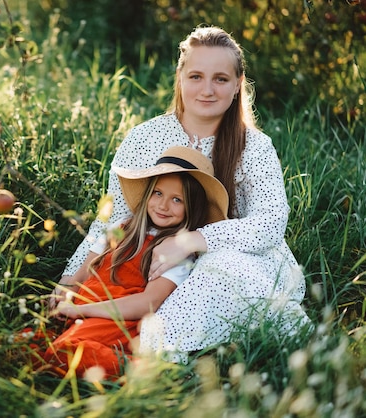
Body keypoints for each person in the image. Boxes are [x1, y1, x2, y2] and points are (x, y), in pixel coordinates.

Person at [51, 26, 310, 361]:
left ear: (237, 86)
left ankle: (158, 354)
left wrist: (191, 241)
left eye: (220, 79)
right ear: (180, 78)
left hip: (232, 259)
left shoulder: (255, 147)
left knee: (219, 269)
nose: (207, 89)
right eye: (196, 76)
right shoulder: (145, 137)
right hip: (149, 261)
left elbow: (270, 223)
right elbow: (112, 221)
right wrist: (70, 280)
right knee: (122, 278)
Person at [35, 146, 228, 378]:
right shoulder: (120, 228)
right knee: (29, 343)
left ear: (192, 208)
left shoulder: (176, 250)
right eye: (158, 193)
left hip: (117, 318)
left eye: (177, 199)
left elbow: (149, 302)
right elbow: (83, 275)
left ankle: (147, 373)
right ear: (148, 193)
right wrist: (65, 296)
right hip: (80, 309)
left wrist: (82, 310)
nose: (163, 205)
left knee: (66, 351)